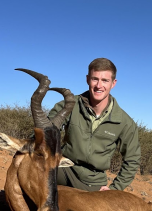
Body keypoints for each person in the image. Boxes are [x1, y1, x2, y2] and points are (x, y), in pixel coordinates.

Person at [48, 58, 141, 191]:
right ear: (87, 79)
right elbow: (44, 131)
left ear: (113, 83)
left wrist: (115, 189)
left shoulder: (125, 122)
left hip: (93, 182)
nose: (99, 85)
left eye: (105, 80)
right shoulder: (69, 105)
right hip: (62, 169)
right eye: (95, 79)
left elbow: (132, 160)